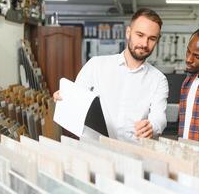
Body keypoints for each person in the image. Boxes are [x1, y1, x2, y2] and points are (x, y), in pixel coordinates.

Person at [53, 8, 168, 142]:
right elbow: (76, 99)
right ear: (128, 32)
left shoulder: (159, 80)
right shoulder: (96, 65)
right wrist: (64, 97)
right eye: (140, 35)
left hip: (133, 154)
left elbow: (159, 117)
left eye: (152, 39)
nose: (144, 44)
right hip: (94, 151)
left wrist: (152, 126)